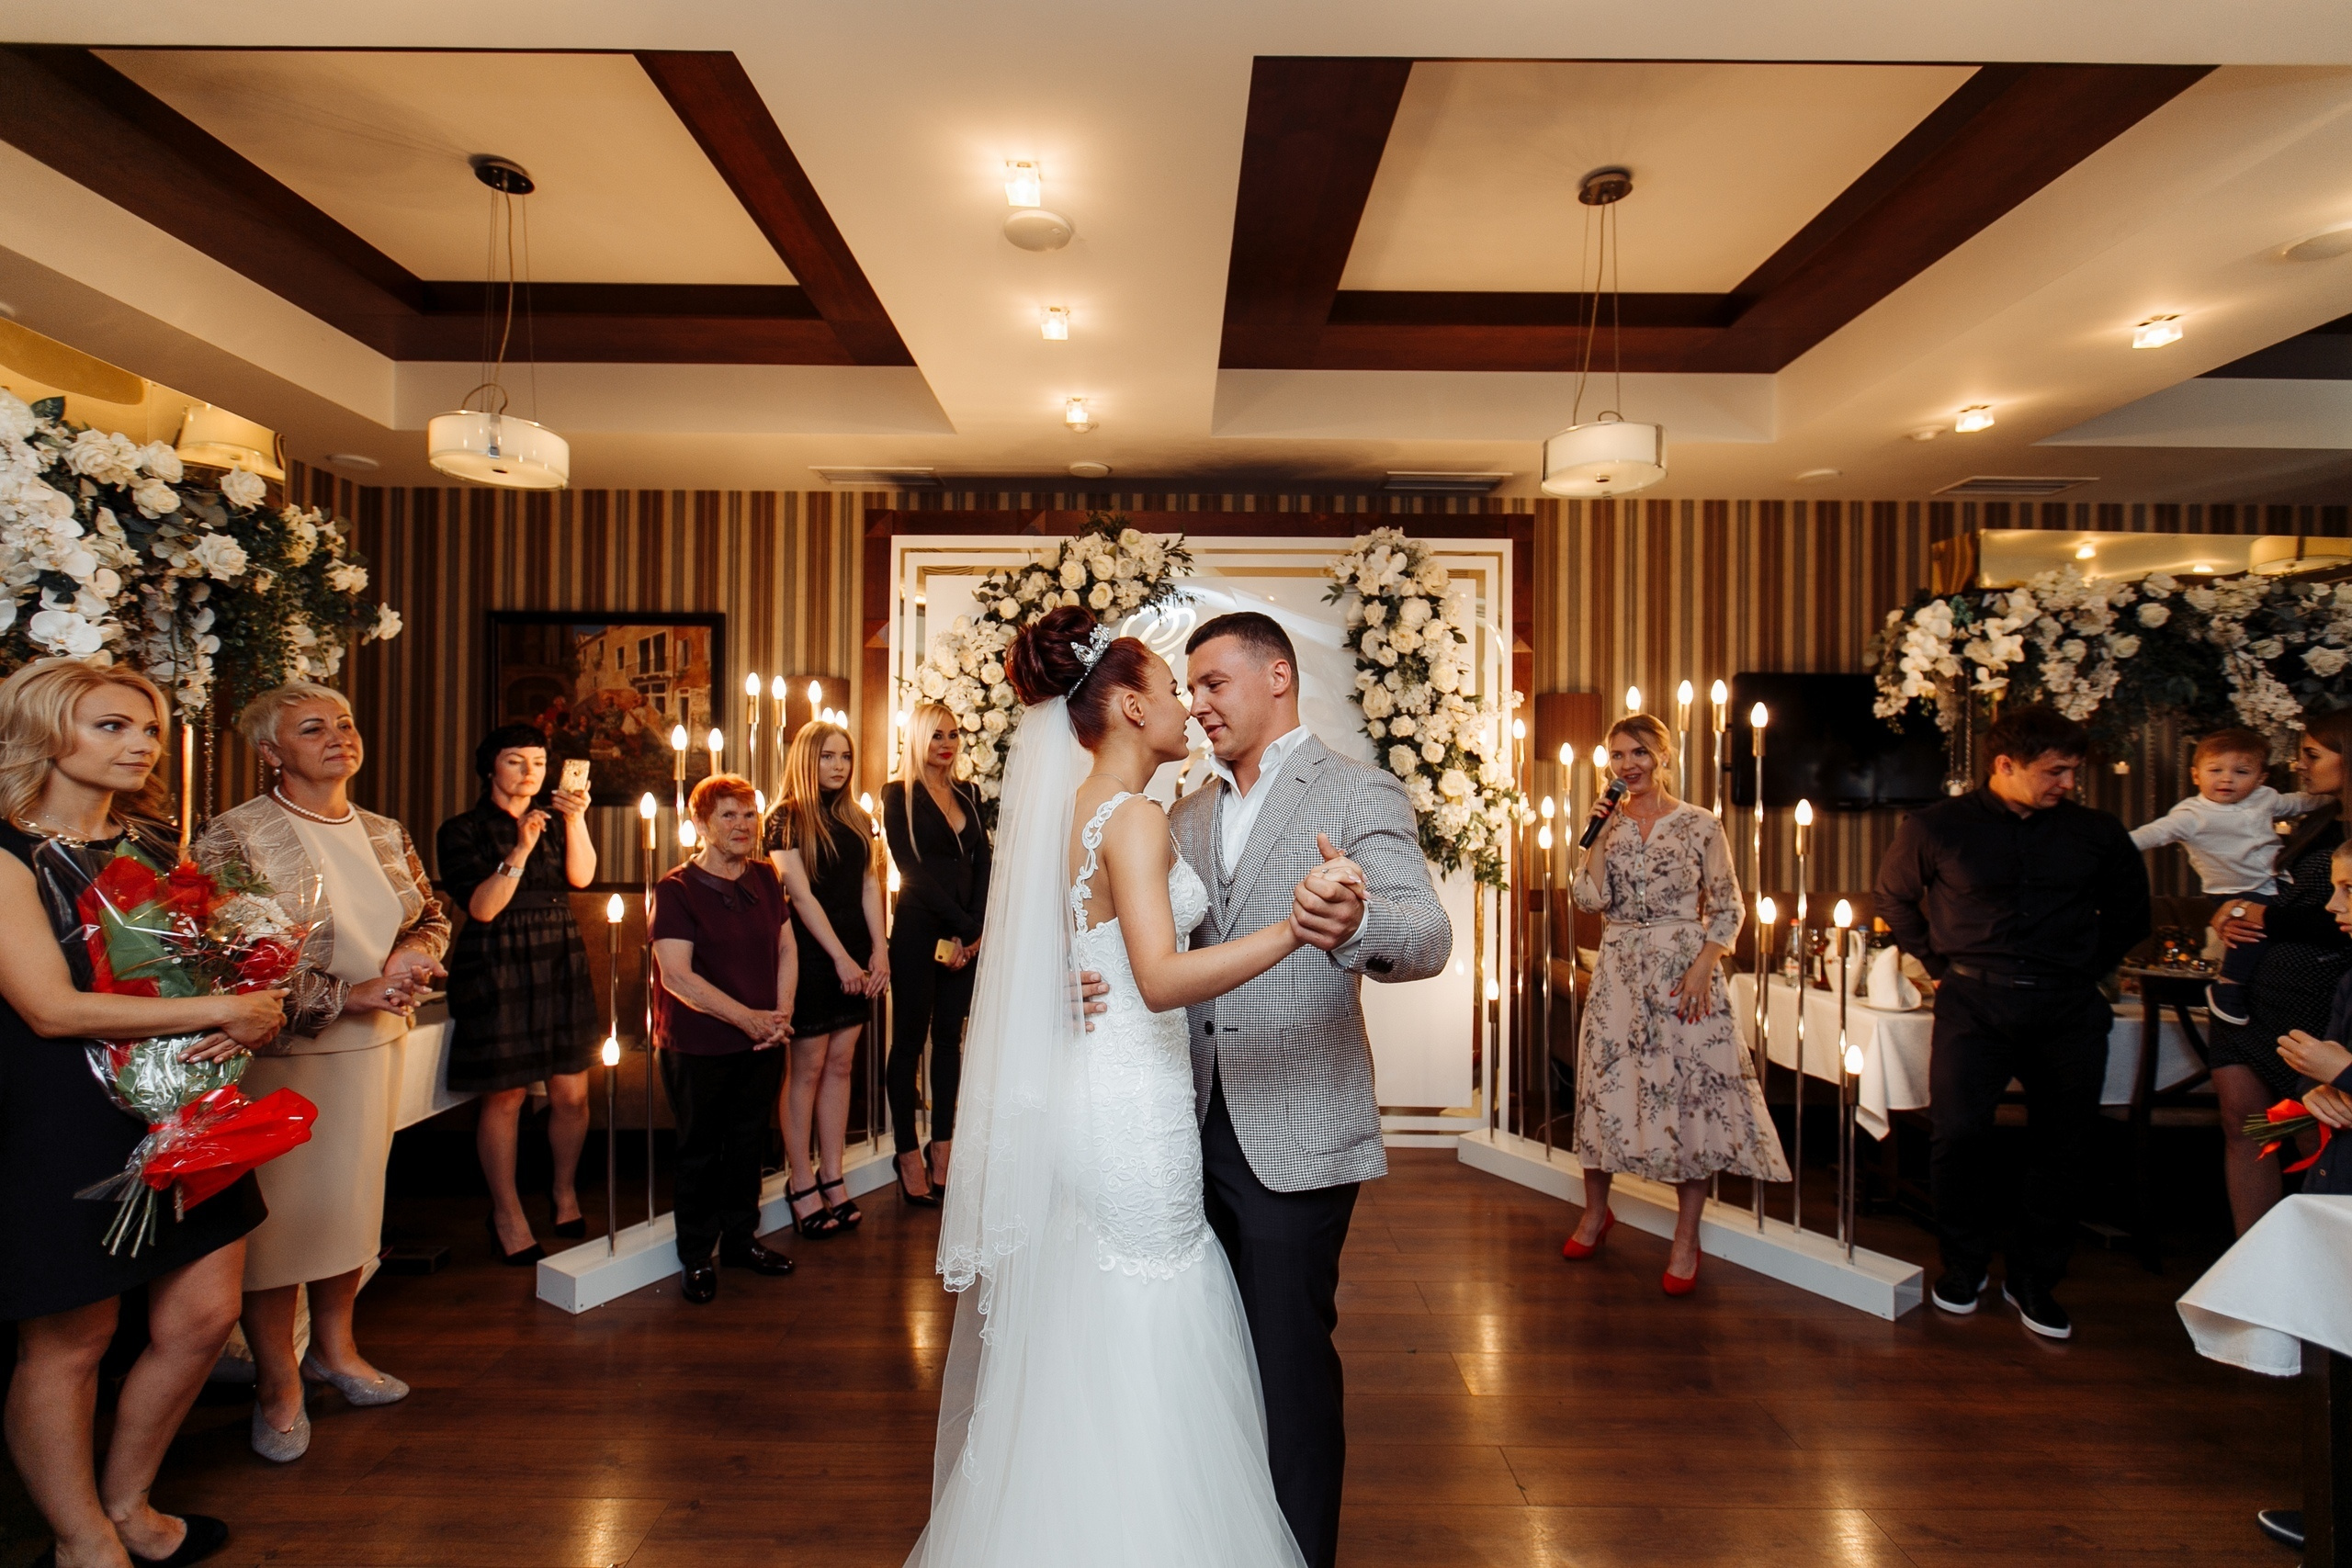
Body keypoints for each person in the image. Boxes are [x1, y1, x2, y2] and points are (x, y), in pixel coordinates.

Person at [907, 604, 1375, 1568]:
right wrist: (1294, 929)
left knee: (1102, 1316)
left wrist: (1058, 988)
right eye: (1173, 691)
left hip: (1105, 1088)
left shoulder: (1076, 812)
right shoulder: (1132, 817)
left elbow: (1062, 950)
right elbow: (1159, 979)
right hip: (1132, 1103)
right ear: (1127, 706)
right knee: (1153, 1307)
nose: (1188, 710)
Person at [1169, 610, 1453, 1568]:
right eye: (1189, 687)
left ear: (1277, 675)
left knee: (1287, 1369)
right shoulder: (1188, 811)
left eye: (1213, 682)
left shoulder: (1355, 787)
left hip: (1295, 1125)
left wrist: (1353, 916)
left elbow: (1425, 932)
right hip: (1183, 1128)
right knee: (1205, 1362)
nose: (1196, 703)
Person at [0, 658, 287, 1568]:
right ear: (47, 734)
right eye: (111, 727)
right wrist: (217, 1011)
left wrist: (256, 1006)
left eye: (149, 728)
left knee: (204, 1316)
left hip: (184, 1106)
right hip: (56, 1116)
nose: (140, 745)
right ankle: (80, 1538)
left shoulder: (161, 848)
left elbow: (213, 975)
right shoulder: (5, 852)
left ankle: (128, 1503)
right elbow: (49, 1008)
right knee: (72, 1337)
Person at [198, 682, 451, 1461]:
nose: (339, 735)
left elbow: (429, 914)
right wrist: (349, 992)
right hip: (285, 1057)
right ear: (271, 751)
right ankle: (278, 1384)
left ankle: (335, 1352)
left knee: (352, 1213)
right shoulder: (232, 835)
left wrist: (415, 957)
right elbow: (221, 959)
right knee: (284, 1229)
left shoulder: (382, 830)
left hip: (377, 1045)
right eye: (314, 727)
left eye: (345, 721)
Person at [1874, 704, 2150, 1340]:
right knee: (1959, 1134)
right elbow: (1894, 897)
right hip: (1974, 1001)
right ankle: (1963, 1267)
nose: (2067, 784)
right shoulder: (1936, 825)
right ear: (2005, 764)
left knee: (2064, 1142)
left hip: (2069, 1006)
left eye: (2073, 772)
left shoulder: (2098, 832)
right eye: (2055, 771)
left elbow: (2132, 917)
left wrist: (2084, 969)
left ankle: (2035, 1279)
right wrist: (1939, 964)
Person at [1563, 712, 1787, 1294]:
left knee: (1692, 1100)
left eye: (1638, 753)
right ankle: (1595, 1213)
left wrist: (1703, 969)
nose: (1627, 765)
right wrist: (1594, 838)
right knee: (1603, 1089)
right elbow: (1588, 898)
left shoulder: (1699, 825)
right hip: (1618, 971)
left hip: (1684, 972)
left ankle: (1685, 1240)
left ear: (1663, 756)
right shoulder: (1604, 824)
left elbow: (1729, 906)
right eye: (1617, 756)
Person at [435, 724, 598, 1267]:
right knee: (504, 1096)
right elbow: (482, 908)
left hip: (558, 955)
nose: (530, 773)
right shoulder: (460, 830)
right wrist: (522, 848)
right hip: (495, 961)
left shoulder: (556, 820)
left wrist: (574, 822)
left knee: (572, 1091)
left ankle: (565, 1192)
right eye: (515, 762)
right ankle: (505, 1213)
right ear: (490, 769)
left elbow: (581, 878)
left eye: (538, 761)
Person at [649, 773, 797, 1304]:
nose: (743, 825)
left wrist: (780, 1014)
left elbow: (786, 949)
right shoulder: (676, 889)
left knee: (747, 1146)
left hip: (761, 1039)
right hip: (698, 1044)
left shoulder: (763, 876)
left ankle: (740, 1241)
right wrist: (749, 1020)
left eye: (749, 814)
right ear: (701, 824)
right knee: (699, 1151)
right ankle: (695, 1257)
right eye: (729, 815)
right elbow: (677, 977)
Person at [2205, 706, 2352, 1234]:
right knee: (2245, 1129)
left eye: (2313, 754)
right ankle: (2249, 1266)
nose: (2301, 764)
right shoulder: (2317, 820)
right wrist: (2236, 908)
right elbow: (2271, 892)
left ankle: (2312, 1273)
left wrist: (2272, 916)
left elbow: (2330, 919)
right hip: (2254, 1001)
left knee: (2313, 1130)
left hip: (2316, 999)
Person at [766, 720, 888, 1239]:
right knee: (809, 1068)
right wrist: (840, 958)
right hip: (812, 956)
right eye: (827, 756)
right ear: (805, 760)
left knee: (842, 1066)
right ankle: (800, 1181)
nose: (838, 765)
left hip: (856, 955)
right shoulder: (783, 820)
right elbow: (801, 897)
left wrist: (879, 949)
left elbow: (868, 886)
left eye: (845, 756)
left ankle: (833, 1175)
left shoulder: (857, 817)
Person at [2129, 726, 2326, 1024]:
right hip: (2233, 888)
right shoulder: (2192, 815)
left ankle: (2255, 991)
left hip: (2276, 883)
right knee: (2251, 934)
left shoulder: (2264, 798)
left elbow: (2300, 802)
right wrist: (2113, 846)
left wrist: (2333, 799)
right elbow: (2154, 834)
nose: (2226, 779)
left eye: (2241, 772)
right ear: (2196, 775)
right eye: (2215, 770)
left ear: (2260, 778)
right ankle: (2228, 987)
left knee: (2280, 931)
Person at [880, 703, 989, 1206]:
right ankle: (906, 1153)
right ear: (917, 740)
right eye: (934, 736)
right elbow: (913, 873)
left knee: (949, 1041)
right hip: (918, 932)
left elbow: (984, 864)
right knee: (907, 1043)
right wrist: (963, 924)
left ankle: (942, 1148)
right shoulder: (897, 795)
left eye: (951, 735)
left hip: (965, 938)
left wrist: (977, 930)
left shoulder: (970, 792)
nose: (945, 744)